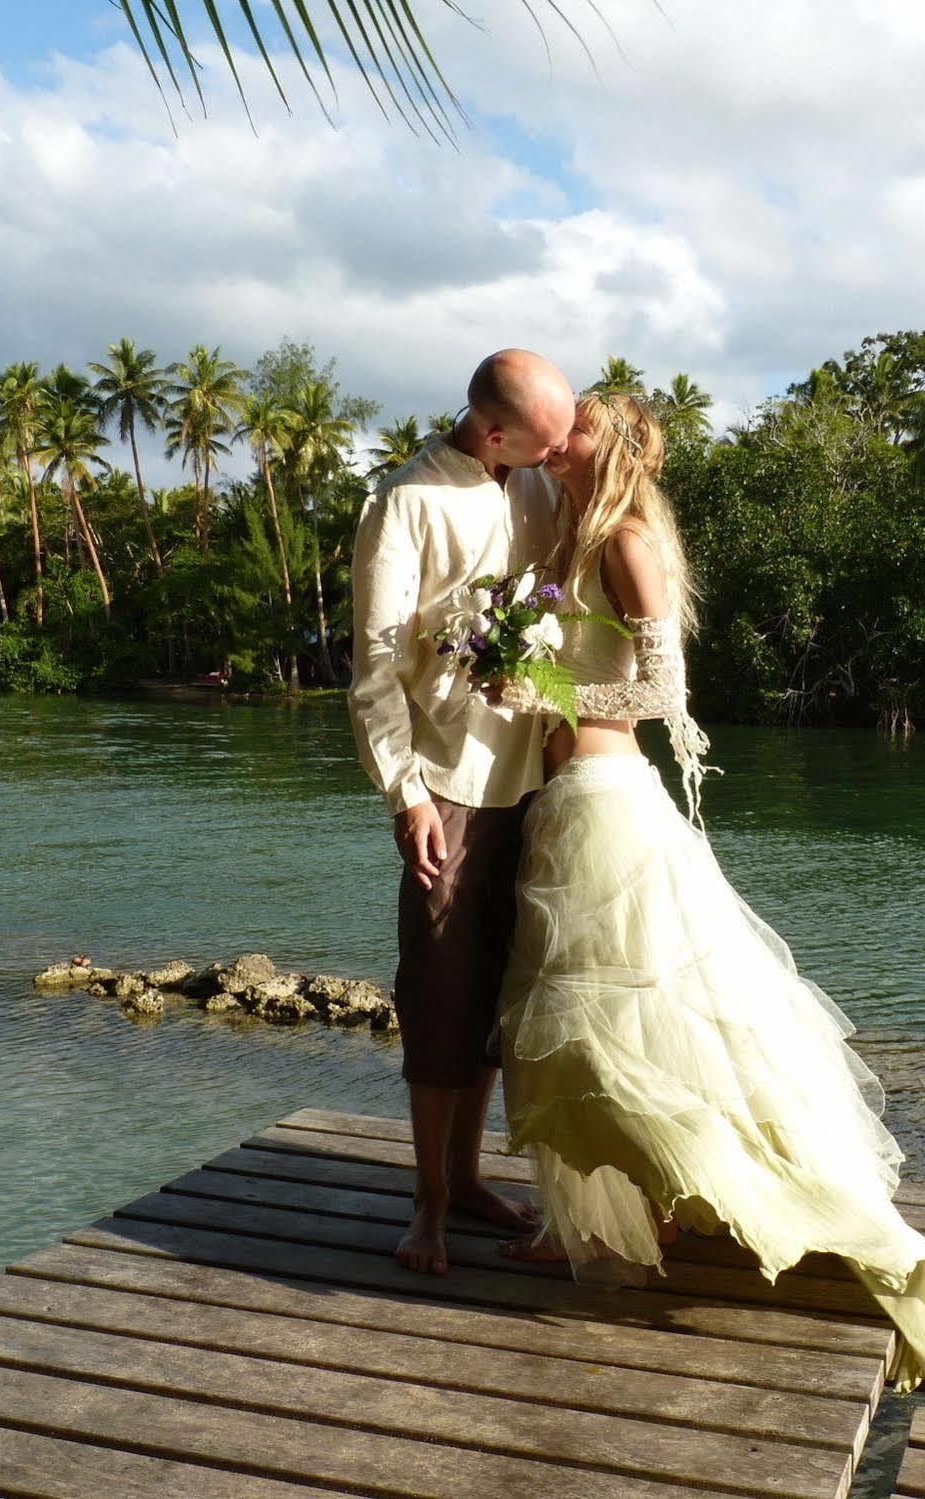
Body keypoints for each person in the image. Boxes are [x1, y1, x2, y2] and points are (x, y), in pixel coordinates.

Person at [487, 392, 925, 1393]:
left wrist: (539, 689)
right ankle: (622, 1211)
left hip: (603, 796)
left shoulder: (628, 539)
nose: (561, 435)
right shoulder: (565, 531)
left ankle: (613, 1223)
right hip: (562, 794)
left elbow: (662, 694)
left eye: (579, 423)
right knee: (601, 1019)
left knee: (597, 1017)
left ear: (620, 447)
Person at [348, 348, 575, 1275]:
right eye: (545, 443)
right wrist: (406, 796)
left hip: (538, 779)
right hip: (445, 785)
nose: (559, 459)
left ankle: (471, 1177)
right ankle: (429, 1203)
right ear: (492, 433)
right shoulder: (404, 503)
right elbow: (372, 674)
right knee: (438, 996)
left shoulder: (537, 489)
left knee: (495, 998)